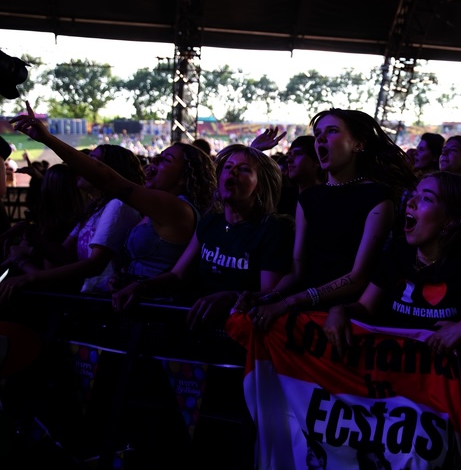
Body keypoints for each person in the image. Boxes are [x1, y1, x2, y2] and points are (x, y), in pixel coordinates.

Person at [322, 171, 461, 469]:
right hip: (392, 393)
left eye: (426, 199)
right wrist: (340, 310)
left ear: (451, 220)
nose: (411, 202)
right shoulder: (398, 252)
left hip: (448, 403)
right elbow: (365, 307)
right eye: (413, 195)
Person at [235, 108, 417, 328]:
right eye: (318, 133)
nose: (320, 138)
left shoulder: (378, 198)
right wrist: (266, 297)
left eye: (331, 131)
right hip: (305, 311)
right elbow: (298, 271)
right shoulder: (310, 198)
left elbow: (358, 276)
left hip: (347, 318)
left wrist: (290, 302)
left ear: (358, 145)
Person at [11, 104, 218, 287]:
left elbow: (109, 180)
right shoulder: (153, 210)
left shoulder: (177, 208)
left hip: (151, 316)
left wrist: (48, 139)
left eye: (166, 160)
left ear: (184, 178)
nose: (154, 161)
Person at [111, 143, 294, 332]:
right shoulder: (210, 223)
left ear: (260, 187)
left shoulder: (273, 229)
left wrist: (231, 296)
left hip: (240, 332)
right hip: (196, 324)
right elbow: (177, 275)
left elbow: (270, 294)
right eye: (228, 168)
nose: (233, 173)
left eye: (244, 170)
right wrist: (139, 286)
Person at [0, 142, 144, 302]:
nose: (80, 164)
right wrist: (28, 233)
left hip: (101, 301)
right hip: (89, 296)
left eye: (91, 159)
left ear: (111, 170)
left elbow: (94, 265)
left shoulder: (118, 205)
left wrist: (28, 275)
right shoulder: (95, 208)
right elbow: (63, 254)